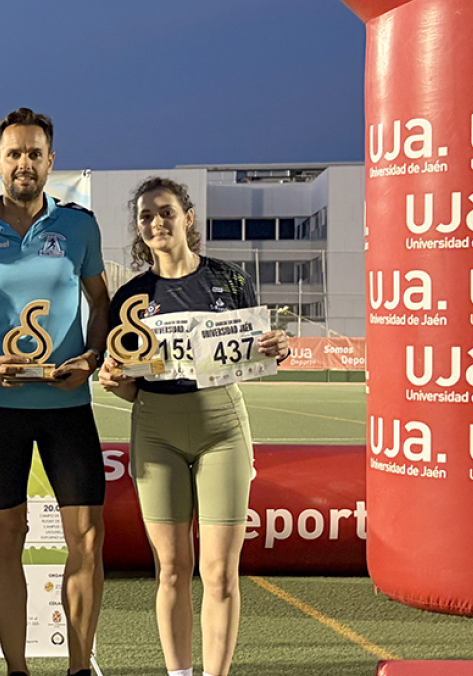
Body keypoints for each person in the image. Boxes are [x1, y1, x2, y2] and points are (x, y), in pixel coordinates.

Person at [98, 178, 289, 676]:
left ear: (187, 216)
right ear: (139, 229)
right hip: (156, 429)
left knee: (220, 572)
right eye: (145, 216)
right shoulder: (132, 296)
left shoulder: (229, 279)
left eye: (164, 212)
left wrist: (277, 348)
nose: (155, 222)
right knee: (172, 570)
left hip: (221, 425)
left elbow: (256, 352)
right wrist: (113, 380)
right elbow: (131, 387)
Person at [0, 108, 109, 676]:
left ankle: (78, 666)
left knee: (86, 538)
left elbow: (103, 306)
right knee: (7, 538)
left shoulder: (80, 226)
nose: (24, 163)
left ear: (50, 161)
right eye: (14, 153)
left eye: (34, 153)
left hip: (68, 406)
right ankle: (16, 668)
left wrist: (91, 359)